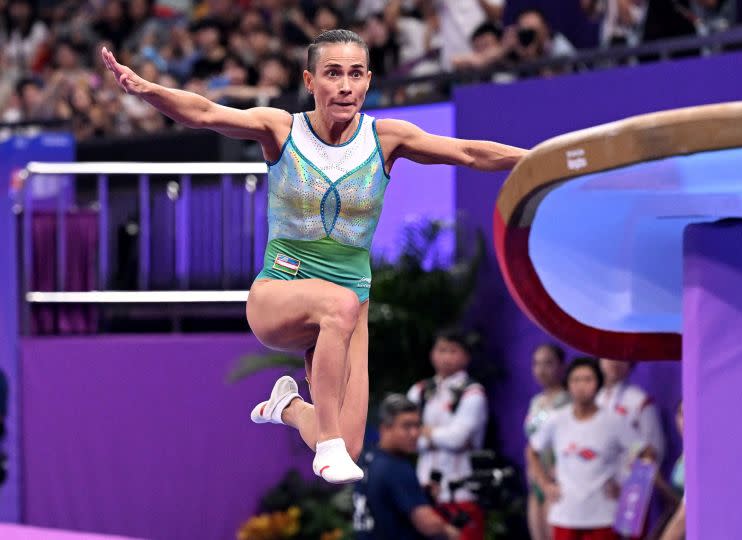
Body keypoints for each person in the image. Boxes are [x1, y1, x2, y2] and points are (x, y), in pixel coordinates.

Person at [101, 29, 526, 484]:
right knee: (337, 321)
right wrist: (146, 89)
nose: (345, 86)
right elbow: (205, 112)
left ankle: (289, 408)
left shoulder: (387, 138)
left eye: (356, 74)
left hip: (348, 307)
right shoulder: (282, 129)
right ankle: (325, 446)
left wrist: (537, 159)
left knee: (353, 442)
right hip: (279, 295)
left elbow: (467, 152)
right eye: (333, 73)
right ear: (310, 80)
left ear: (368, 82)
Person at [527, 357, 637, 540]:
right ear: (568, 384)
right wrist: (545, 484)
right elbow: (532, 449)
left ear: (598, 383)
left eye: (588, 379)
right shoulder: (553, 417)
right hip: (565, 513)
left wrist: (626, 483)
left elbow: (645, 452)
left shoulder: (614, 420)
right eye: (576, 380)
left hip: (603, 515)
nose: (581, 386)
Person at [407, 329, 489, 540]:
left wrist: (424, 433)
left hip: (460, 492)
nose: (446, 357)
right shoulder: (420, 390)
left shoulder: (473, 392)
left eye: (453, 351)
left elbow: (457, 439)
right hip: (424, 492)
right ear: (432, 354)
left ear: (465, 356)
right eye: (441, 350)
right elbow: (407, 439)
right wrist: (436, 435)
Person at [353, 394, 461, 540]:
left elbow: (383, 500)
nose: (415, 433)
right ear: (385, 428)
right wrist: (450, 532)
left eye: (417, 426)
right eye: (407, 426)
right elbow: (429, 525)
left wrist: (418, 493)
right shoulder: (396, 467)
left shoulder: (367, 458)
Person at [524, 343, 570, 540]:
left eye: (548, 363)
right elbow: (532, 440)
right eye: (537, 364)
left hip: (556, 479)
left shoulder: (568, 401)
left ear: (562, 367)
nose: (541, 370)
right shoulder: (536, 402)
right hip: (536, 479)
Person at [596, 359, 665, 469]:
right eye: (608, 356)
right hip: (593, 481)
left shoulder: (640, 401)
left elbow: (654, 450)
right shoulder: (593, 399)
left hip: (626, 481)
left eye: (620, 357)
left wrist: (633, 482)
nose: (614, 361)